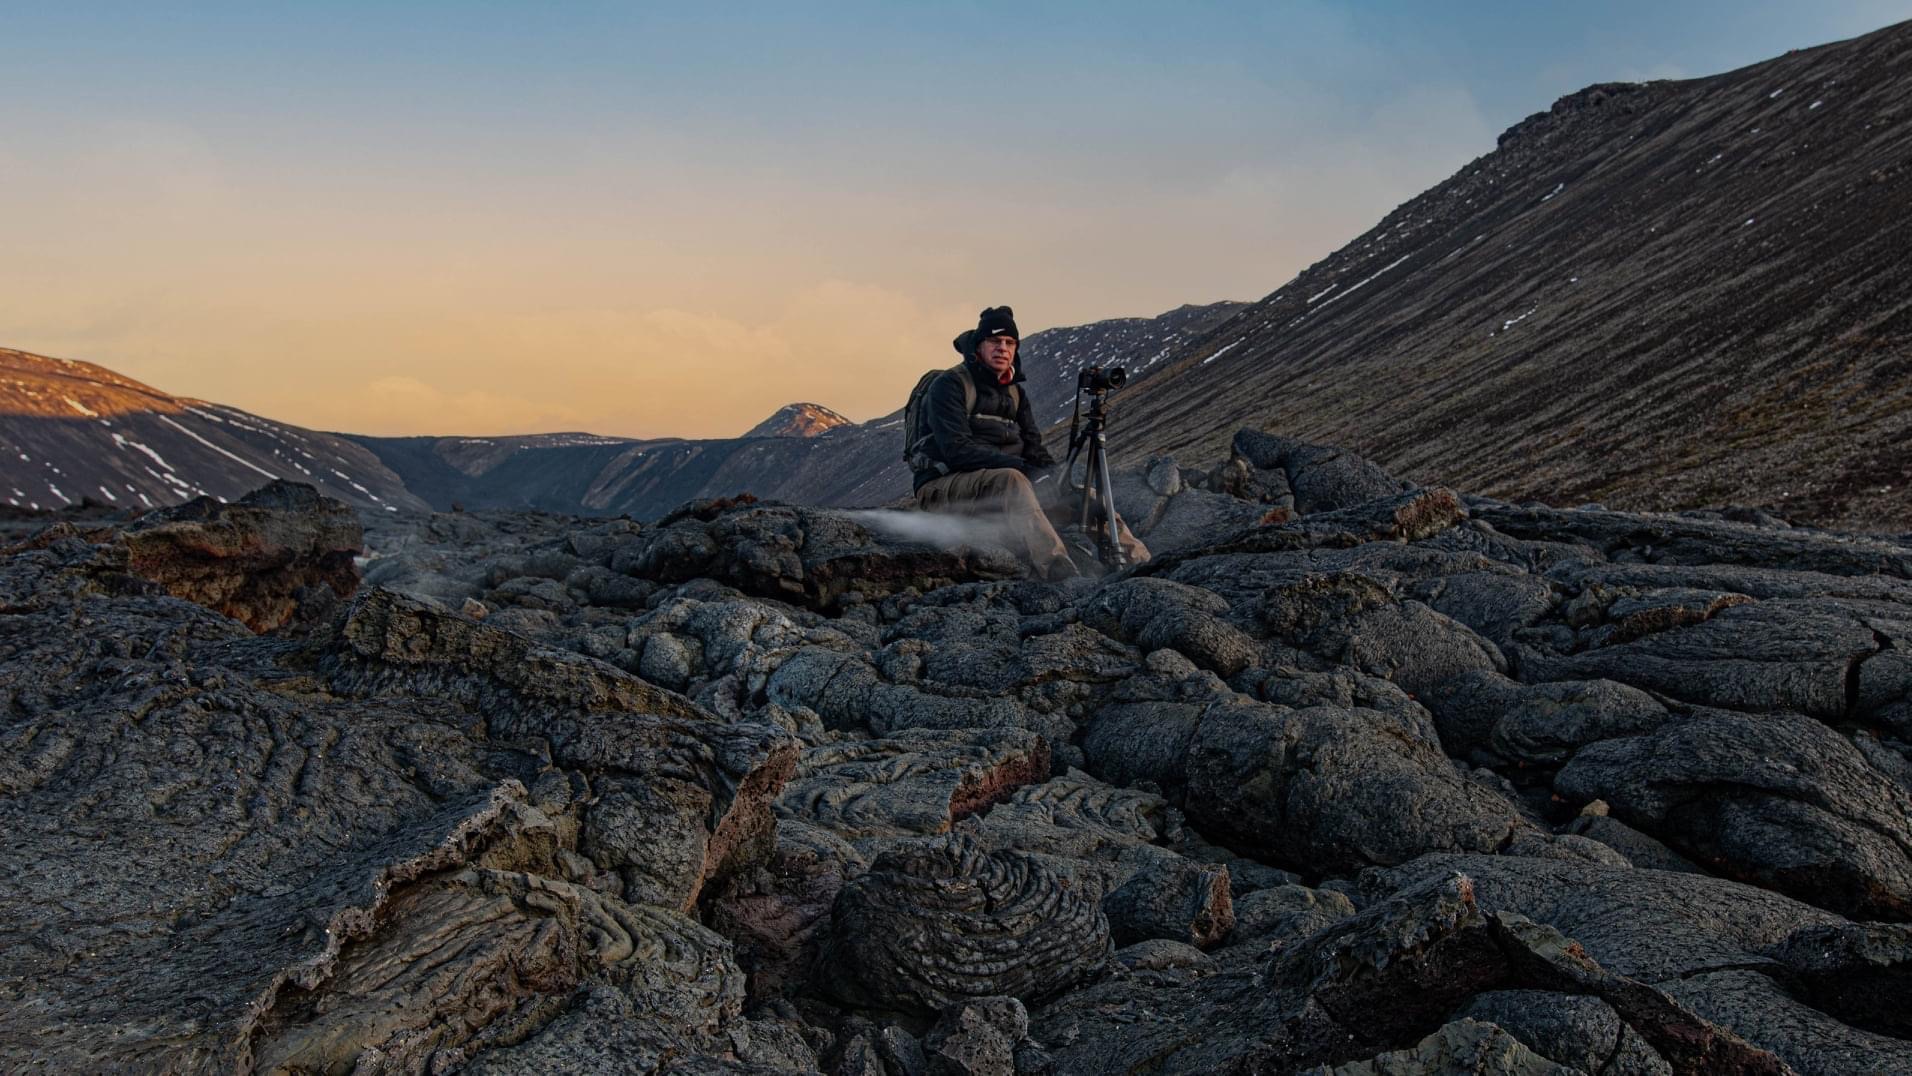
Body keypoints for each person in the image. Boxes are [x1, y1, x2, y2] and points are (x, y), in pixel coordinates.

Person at [912, 306, 1149, 578]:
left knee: (1087, 496)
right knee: (1014, 479)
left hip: (999, 492)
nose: (1003, 348)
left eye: (1010, 343)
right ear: (978, 345)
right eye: (994, 341)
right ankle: (1060, 573)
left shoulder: (1016, 394)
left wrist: (1056, 479)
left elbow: (1033, 448)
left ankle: (1140, 565)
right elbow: (956, 451)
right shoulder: (950, 385)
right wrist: (1026, 470)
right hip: (943, 487)